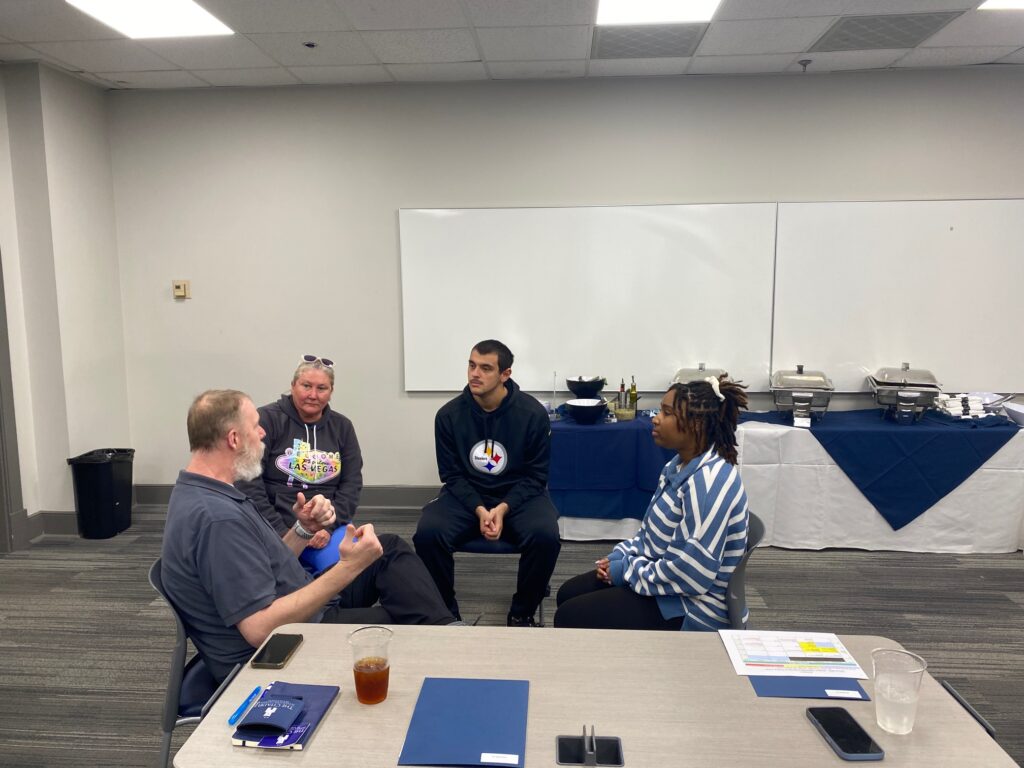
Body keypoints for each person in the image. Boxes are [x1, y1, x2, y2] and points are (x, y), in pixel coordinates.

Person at [161, 389, 457, 684]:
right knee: (407, 626)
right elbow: (260, 630)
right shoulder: (218, 519)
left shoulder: (204, 490)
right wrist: (349, 567)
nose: (263, 432)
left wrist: (303, 530)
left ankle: (452, 634)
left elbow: (263, 564)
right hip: (283, 646)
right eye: (255, 425)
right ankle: (456, 651)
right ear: (234, 438)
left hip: (299, 604)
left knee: (387, 548)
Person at [554, 376, 750, 631]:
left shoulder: (709, 483)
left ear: (697, 424)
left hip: (692, 607)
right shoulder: (678, 465)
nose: (656, 418)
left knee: (570, 616)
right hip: (666, 584)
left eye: (667, 413)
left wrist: (626, 571)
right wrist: (620, 556)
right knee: (567, 594)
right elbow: (650, 538)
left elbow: (691, 574)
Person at [414, 339, 561, 627]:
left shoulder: (532, 415)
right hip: (466, 495)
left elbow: (536, 477)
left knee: (545, 535)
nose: (474, 374)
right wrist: (480, 508)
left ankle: (522, 612)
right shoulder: (448, 416)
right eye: (471, 365)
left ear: (505, 374)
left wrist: (503, 508)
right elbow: (452, 476)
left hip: (520, 495)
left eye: (485, 368)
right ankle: (446, 613)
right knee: (428, 533)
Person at [236, 355, 362, 549]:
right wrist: (284, 532)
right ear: (293, 385)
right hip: (274, 524)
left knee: (357, 566)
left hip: (327, 526)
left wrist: (328, 528)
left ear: (331, 392)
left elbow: (351, 485)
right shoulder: (267, 420)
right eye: (306, 386)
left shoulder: (342, 427)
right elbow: (248, 481)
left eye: (321, 388)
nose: (313, 394)